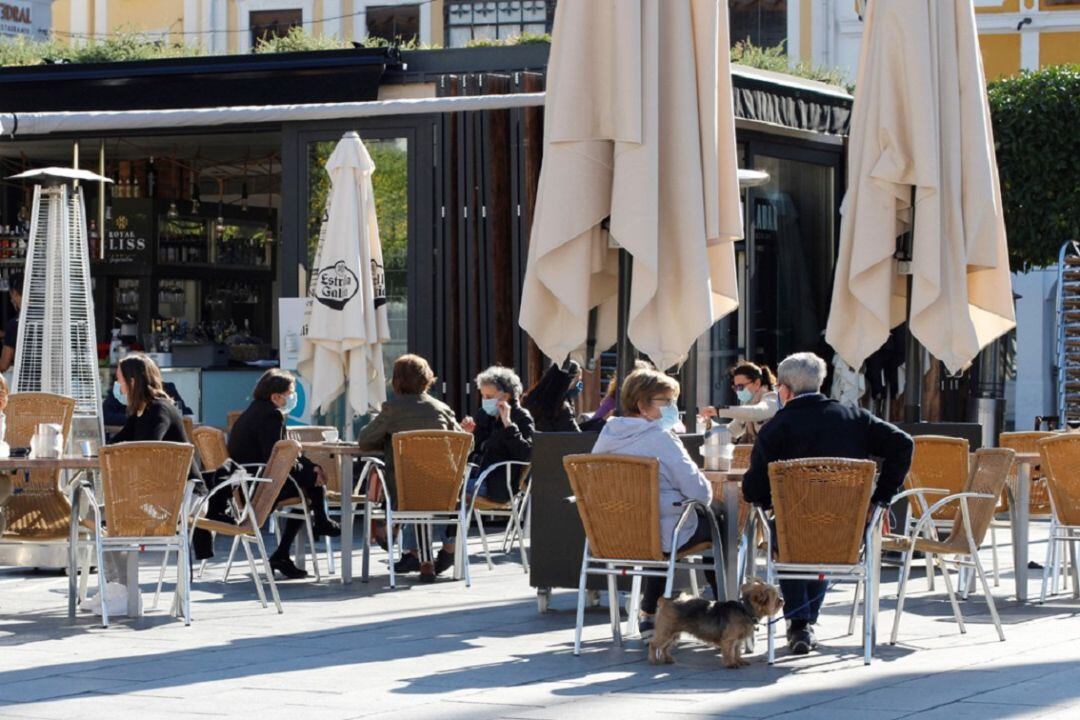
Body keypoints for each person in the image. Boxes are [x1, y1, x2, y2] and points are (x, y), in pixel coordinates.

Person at [743, 352, 913, 656]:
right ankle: (804, 621)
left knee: (788, 533)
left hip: (795, 532)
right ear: (821, 383)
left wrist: (767, 502)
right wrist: (881, 498)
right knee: (818, 537)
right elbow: (903, 443)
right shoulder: (855, 418)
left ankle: (799, 622)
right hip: (846, 531)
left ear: (783, 390)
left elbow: (753, 488)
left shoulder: (777, 427)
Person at [591, 367, 716, 638]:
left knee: (650, 525)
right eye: (666, 401)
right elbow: (700, 493)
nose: (673, 408)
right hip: (662, 533)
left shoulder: (606, 436)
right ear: (642, 405)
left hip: (613, 534)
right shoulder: (661, 438)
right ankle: (723, 616)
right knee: (721, 528)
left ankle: (649, 614)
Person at [356, 354, 462, 582]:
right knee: (425, 484)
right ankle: (429, 558)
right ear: (427, 379)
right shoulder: (442, 408)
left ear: (396, 380)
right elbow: (464, 443)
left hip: (406, 491)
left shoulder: (392, 409)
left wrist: (385, 440)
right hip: (445, 490)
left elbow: (364, 440)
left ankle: (410, 549)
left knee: (411, 483)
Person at [227, 368, 340, 579]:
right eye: (290, 392)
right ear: (276, 396)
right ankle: (321, 521)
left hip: (246, 481)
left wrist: (311, 467)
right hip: (258, 484)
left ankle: (284, 551)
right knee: (311, 482)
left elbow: (286, 452)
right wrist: (312, 471)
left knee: (309, 478)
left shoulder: (254, 411)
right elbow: (276, 457)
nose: (292, 397)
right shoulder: (271, 415)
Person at [701, 361, 781, 444]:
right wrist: (708, 424)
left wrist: (718, 410)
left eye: (740, 386)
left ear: (757, 383)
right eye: (735, 387)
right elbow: (731, 430)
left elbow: (755, 412)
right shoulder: (749, 403)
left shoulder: (773, 397)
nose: (738, 391)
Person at [104, 376, 193, 428]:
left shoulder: (167, 388)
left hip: (165, 445)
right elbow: (106, 416)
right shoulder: (121, 390)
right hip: (129, 445)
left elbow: (186, 413)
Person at [523, 360, 581, 433]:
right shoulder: (562, 408)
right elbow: (577, 437)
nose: (578, 384)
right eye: (577, 381)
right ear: (569, 381)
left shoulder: (530, 398)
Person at [0, 272, 22, 374]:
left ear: (14, 293)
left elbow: (3, 365)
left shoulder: (13, 325)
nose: (11, 299)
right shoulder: (43, 317)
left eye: (10, 295)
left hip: (25, 383)